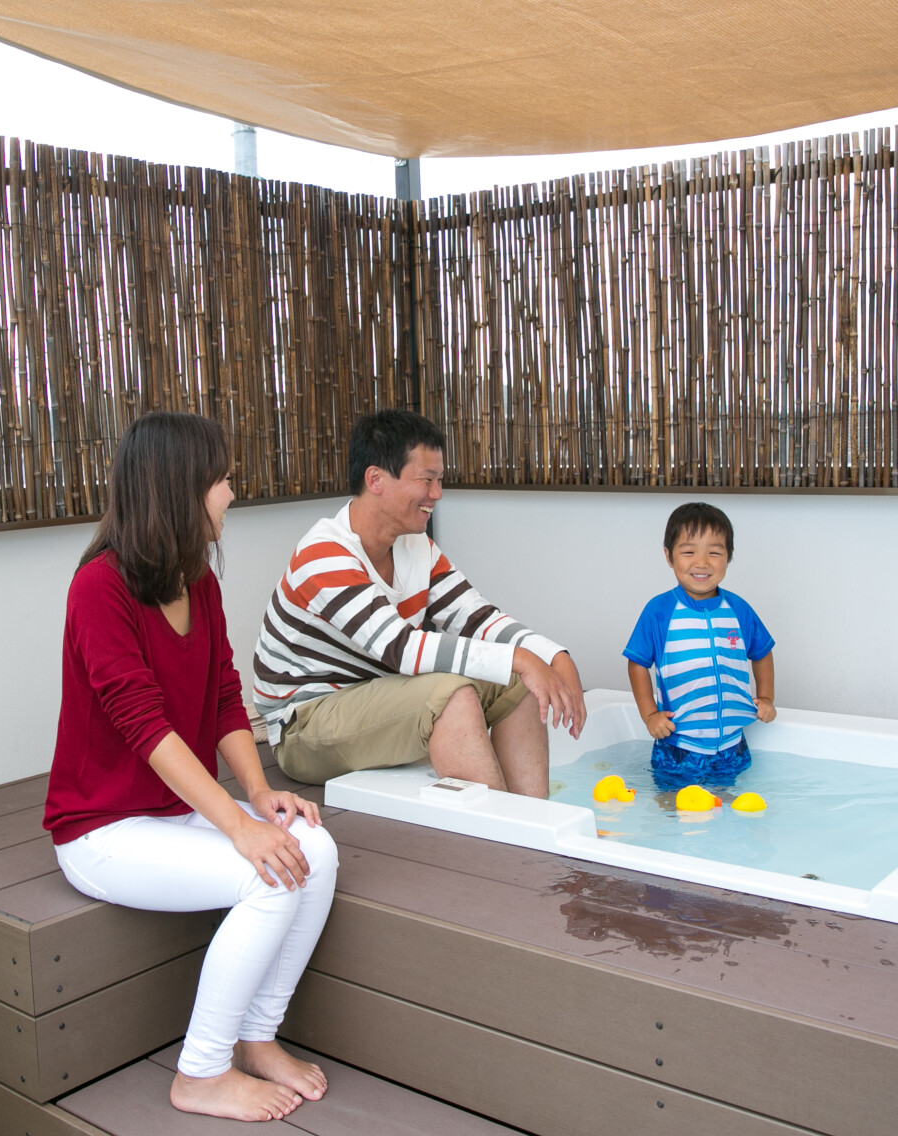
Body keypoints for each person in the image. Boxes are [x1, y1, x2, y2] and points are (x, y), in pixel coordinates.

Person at [44, 412, 337, 1124]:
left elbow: (225, 695)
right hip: (101, 830)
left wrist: (260, 794)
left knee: (316, 850)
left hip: (173, 814)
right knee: (266, 875)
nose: (232, 493)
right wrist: (237, 827)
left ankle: (256, 1037)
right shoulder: (98, 589)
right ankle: (201, 1072)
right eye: (222, 479)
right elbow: (146, 728)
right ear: (181, 488)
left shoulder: (196, 581)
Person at [252, 408, 585, 795]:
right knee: (452, 695)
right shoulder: (324, 554)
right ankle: (496, 829)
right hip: (304, 726)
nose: (437, 494)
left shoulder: (416, 546)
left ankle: (533, 819)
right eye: (426, 480)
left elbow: (476, 618)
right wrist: (522, 658)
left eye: (439, 480)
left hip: (380, 695)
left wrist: (553, 656)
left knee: (522, 683)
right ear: (375, 479)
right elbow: (401, 649)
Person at [623, 502, 776, 788]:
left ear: (729, 556)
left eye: (714, 553)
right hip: (680, 746)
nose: (702, 563)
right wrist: (650, 715)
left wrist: (766, 697)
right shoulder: (659, 611)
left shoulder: (738, 609)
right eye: (689, 552)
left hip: (732, 743)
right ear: (669, 556)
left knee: (727, 802)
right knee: (673, 804)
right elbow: (637, 664)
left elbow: (762, 652)